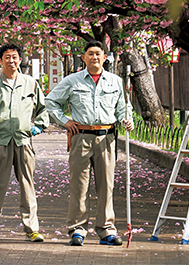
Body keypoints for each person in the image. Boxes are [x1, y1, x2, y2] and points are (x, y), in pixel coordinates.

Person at [46, 41, 133, 246]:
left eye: (98, 54)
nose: (94, 57)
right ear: (83, 58)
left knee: (106, 186)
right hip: (81, 137)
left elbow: (123, 107)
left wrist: (126, 119)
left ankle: (106, 231)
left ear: (105, 58)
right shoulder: (72, 80)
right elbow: (50, 101)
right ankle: (77, 229)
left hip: (106, 138)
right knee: (79, 185)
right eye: (90, 54)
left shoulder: (115, 81)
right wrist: (65, 121)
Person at [0, 43, 50, 243]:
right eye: (7, 57)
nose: (11, 61)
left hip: (24, 142)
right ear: (0, 60)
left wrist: (39, 126)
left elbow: (43, 109)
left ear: (20, 59)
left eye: (14, 57)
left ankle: (32, 229)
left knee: (27, 186)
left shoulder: (31, 83)